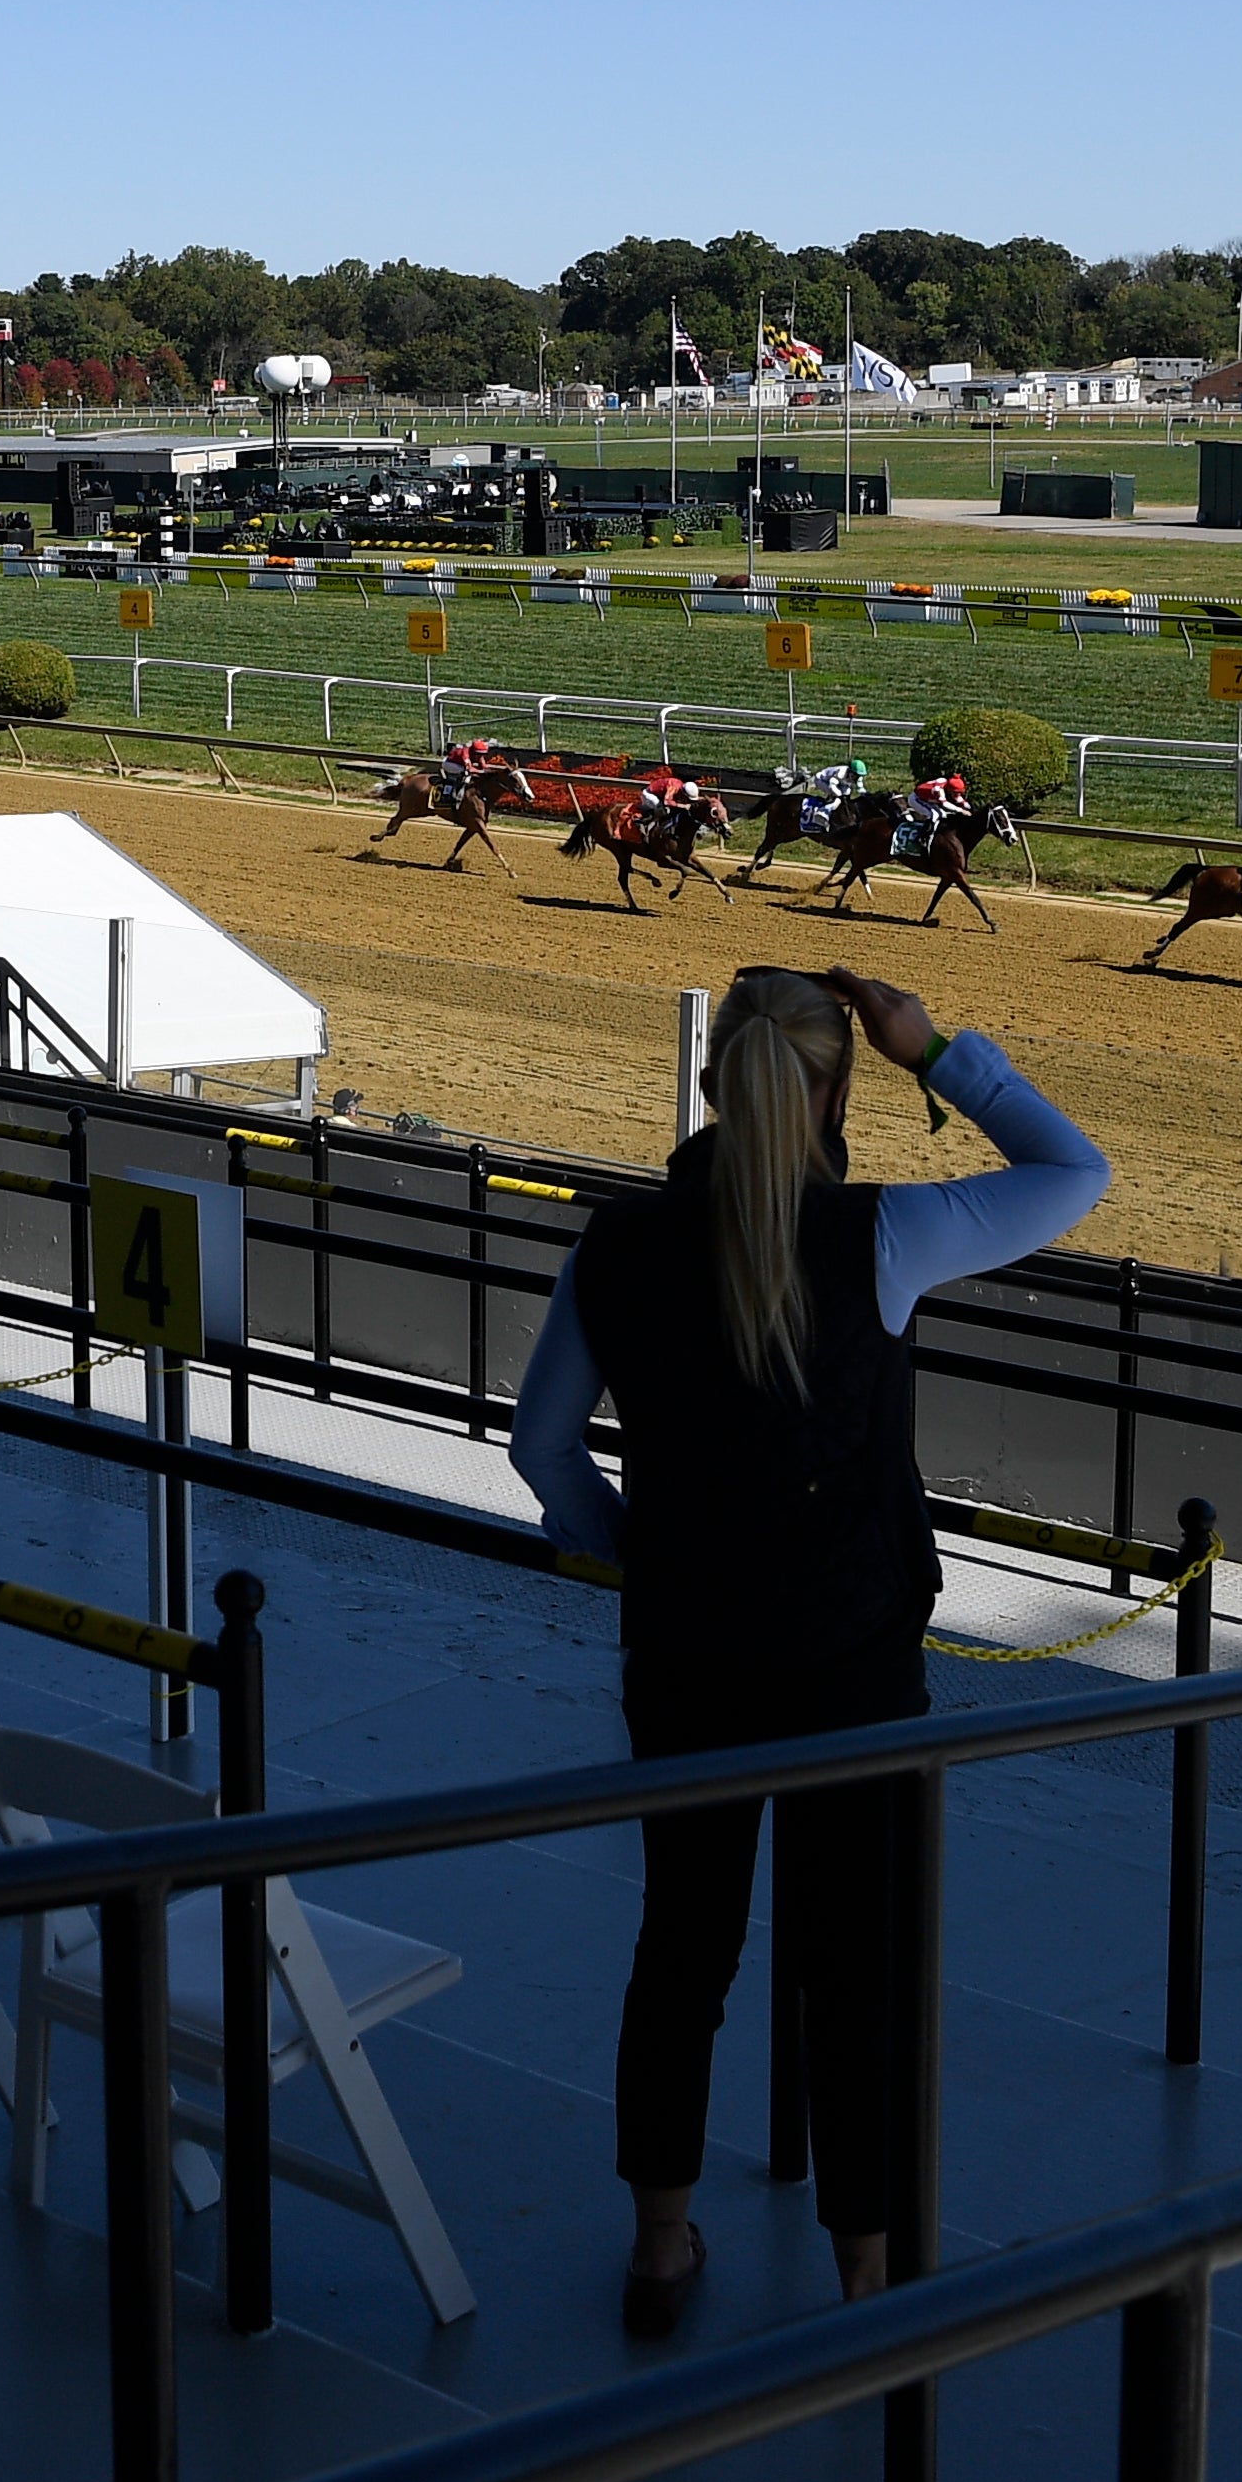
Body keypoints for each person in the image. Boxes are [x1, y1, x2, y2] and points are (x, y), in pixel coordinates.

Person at [509, 965, 1108, 2336]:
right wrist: (938, 1048)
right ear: (835, 1087)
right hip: (850, 1664)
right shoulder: (885, 1235)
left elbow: (540, 1450)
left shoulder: (616, 1246)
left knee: (682, 1949)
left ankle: (659, 2244)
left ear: (711, 1082)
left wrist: (630, 1550)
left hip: (685, 1657)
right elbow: (1074, 1171)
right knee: (856, 1969)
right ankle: (867, 2270)